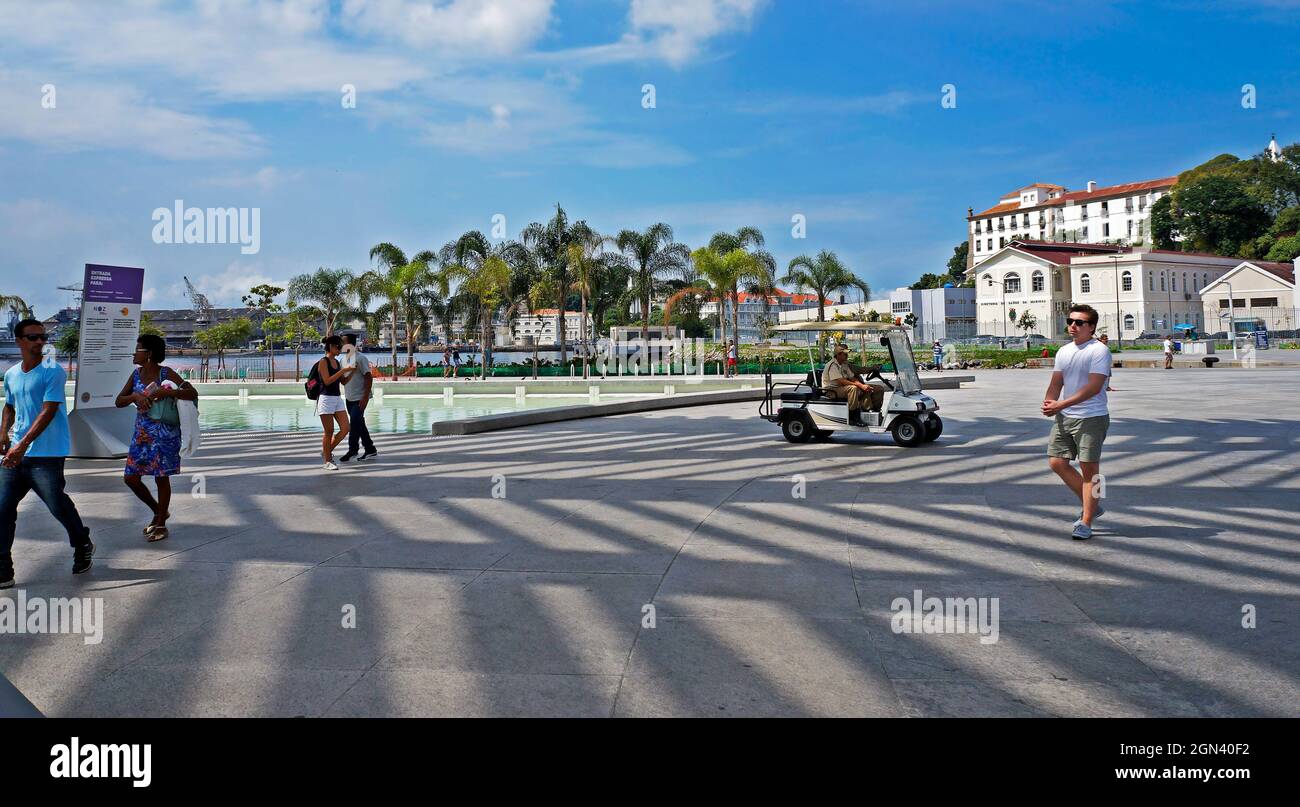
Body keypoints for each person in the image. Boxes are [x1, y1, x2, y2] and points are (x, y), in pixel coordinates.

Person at [1, 319, 94, 586]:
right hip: (16, 454)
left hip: (47, 453)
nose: (40, 342)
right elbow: (9, 406)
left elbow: (49, 409)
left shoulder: (52, 370)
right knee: (2, 510)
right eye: (33, 338)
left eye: (43, 337)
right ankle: (3, 570)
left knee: (57, 505)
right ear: (19, 341)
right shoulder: (12, 374)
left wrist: (21, 445)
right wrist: (3, 434)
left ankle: (82, 543)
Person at [114, 333, 198, 542]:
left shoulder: (165, 373)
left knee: (161, 477)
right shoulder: (136, 375)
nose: (134, 353)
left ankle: (161, 524)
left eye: (138, 348)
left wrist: (169, 393)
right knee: (131, 478)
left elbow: (192, 393)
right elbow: (119, 401)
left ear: (149, 353)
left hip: (164, 434)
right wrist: (135, 396)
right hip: (141, 434)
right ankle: (159, 511)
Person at [1042, 304, 1112, 541]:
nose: (1073, 326)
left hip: (1091, 417)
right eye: (1070, 321)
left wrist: (1061, 404)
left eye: (1079, 322)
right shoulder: (1064, 351)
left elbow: (1093, 387)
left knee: (1091, 471)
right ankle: (1092, 501)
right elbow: (1057, 382)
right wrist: (1050, 402)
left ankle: (1086, 521)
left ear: (1091, 327)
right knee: (1056, 462)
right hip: (1066, 417)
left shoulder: (1099, 351)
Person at [314, 335, 355, 470]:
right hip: (325, 398)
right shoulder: (323, 362)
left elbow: (342, 381)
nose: (340, 349)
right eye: (338, 347)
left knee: (345, 429)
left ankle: (326, 451)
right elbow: (327, 381)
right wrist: (343, 370)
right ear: (331, 347)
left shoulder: (337, 363)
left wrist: (352, 372)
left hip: (337, 398)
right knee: (329, 431)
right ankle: (327, 460)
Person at [822, 343, 885, 427]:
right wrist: (860, 386)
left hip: (841, 388)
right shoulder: (832, 365)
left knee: (877, 388)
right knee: (853, 388)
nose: (847, 356)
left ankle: (873, 411)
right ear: (838, 355)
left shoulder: (844, 364)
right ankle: (853, 417)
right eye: (845, 354)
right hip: (831, 390)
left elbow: (852, 378)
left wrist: (863, 386)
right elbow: (842, 381)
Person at [339, 333, 377, 462]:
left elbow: (368, 377)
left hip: (360, 397)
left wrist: (365, 397)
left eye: (343, 342)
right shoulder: (342, 361)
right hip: (349, 398)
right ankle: (370, 449)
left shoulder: (360, 358)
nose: (341, 345)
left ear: (350, 344)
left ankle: (352, 450)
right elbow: (343, 381)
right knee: (359, 422)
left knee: (354, 423)